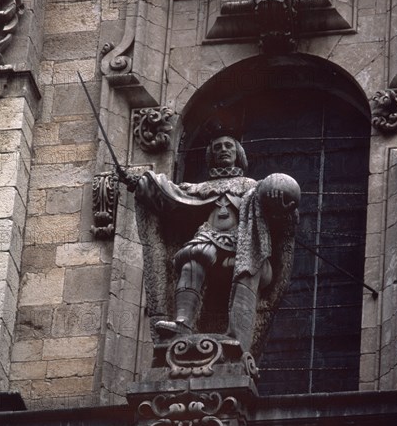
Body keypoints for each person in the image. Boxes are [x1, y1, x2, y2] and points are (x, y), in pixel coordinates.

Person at [121, 135, 300, 355]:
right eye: (217, 147)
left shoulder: (251, 186)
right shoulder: (201, 188)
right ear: (211, 155)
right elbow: (169, 194)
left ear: (238, 154)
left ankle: (236, 334)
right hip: (210, 240)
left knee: (237, 263)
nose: (223, 150)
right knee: (192, 261)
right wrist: (140, 183)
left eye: (228, 146)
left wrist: (278, 199)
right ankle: (183, 323)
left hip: (244, 247)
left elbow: (275, 215)